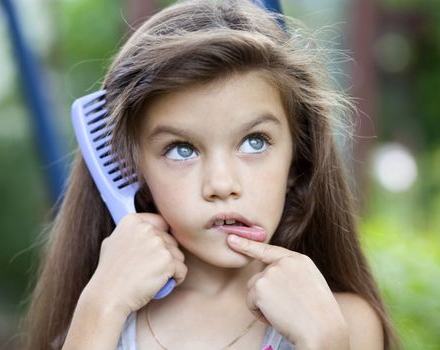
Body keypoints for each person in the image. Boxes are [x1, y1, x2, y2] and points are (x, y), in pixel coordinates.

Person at [23, 1, 399, 349]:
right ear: (132, 171)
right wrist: (100, 306)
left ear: (297, 162)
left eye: (255, 142)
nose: (221, 185)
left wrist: (324, 343)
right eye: (181, 150)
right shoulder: (100, 326)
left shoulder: (343, 324)